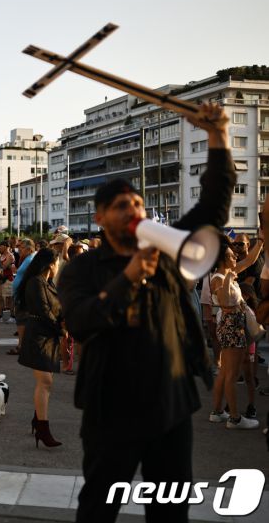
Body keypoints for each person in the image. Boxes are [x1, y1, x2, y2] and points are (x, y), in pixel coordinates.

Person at [58, 103, 234, 523]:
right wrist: (130, 278)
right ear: (100, 217)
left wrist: (219, 137)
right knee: (99, 506)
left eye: (137, 203)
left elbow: (213, 206)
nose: (134, 210)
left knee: (170, 511)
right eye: (122, 205)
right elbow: (81, 320)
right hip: (111, 411)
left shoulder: (167, 251)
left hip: (170, 406)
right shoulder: (83, 268)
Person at [207, 239, 260, 429]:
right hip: (231, 326)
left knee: (224, 373)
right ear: (223, 259)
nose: (235, 256)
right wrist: (230, 277)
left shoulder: (227, 273)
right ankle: (235, 418)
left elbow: (250, 260)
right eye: (231, 255)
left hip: (232, 325)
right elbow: (224, 301)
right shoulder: (219, 278)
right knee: (232, 373)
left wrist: (261, 239)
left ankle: (218, 412)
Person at [16, 248, 64, 447]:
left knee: (47, 382)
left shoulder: (46, 282)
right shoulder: (35, 282)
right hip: (38, 336)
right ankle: (42, 428)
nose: (59, 266)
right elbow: (43, 310)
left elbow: (55, 308)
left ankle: (38, 421)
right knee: (45, 382)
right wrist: (60, 327)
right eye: (58, 262)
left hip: (47, 335)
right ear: (50, 264)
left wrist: (63, 322)